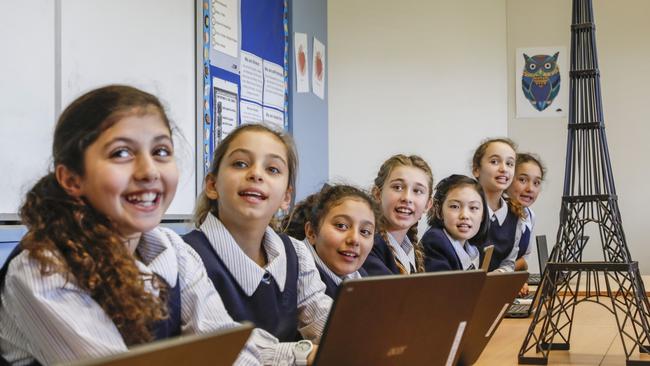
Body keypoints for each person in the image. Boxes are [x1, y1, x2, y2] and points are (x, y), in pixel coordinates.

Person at [0, 85, 265, 365]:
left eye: (161, 151)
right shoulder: (42, 269)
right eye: (121, 153)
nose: (149, 171)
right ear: (72, 180)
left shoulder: (174, 250)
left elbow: (232, 350)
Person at [182, 123, 331, 365]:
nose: (256, 174)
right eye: (240, 163)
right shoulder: (185, 256)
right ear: (212, 185)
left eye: (272, 169)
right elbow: (225, 350)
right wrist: (305, 354)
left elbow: (327, 322)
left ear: (286, 197)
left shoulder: (296, 252)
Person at [283, 184, 377, 298]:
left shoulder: (361, 277)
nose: (355, 239)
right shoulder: (292, 274)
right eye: (341, 226)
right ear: (311, 232)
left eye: (365, 232)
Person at [362, 155, 433, 275]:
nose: (407, 198)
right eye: (398, 187)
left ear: (427, 205)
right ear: (377, 194)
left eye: (417, 191)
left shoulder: (414, 252)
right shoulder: (368, 245)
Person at [471, 138, 525, 272]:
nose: (503, 169)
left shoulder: (515, 214)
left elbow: (509, 262)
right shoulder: (465, 212)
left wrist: (500, 274)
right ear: (476, 170)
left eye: (510, 164)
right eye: (494, 162)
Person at [422, 175, 490, 272]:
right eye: (455, 206)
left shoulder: (471, 247)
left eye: (473, 208)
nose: (465, 215)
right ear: (439, 211)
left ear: (483, 215)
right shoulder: (435, 241)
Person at [506, 152, 546, 295]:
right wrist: (519, 267)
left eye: (536, 183)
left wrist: (518, 277)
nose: (530, 189)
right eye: (522, 180)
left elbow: (523, 260)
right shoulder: (496, 215)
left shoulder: (529, 215)